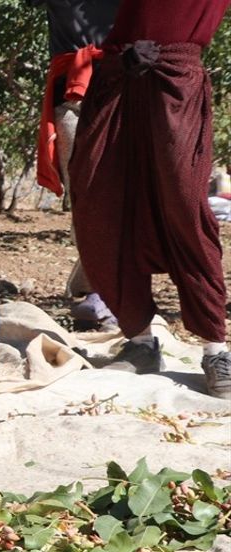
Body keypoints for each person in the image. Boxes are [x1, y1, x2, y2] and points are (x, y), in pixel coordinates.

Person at [67, 0, 230, 399]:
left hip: (175, 78)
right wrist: (116, 58)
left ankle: (216, 350)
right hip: (117, 75)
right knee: (100, 203)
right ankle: (140, 341)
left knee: (184, 207)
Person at [28, 0, 122, 331]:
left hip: (120, 87)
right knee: (85, 197)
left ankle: (102, 290)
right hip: (71, 94)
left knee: (116, 194)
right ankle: (96, 289)